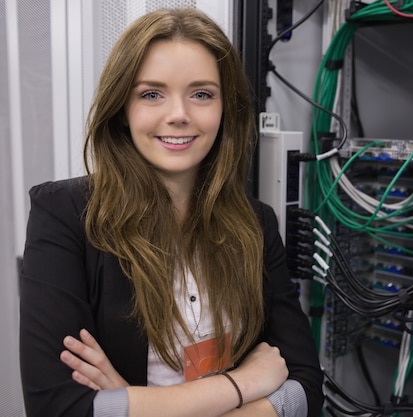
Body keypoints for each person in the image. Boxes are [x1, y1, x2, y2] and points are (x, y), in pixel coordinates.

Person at [19, 7, 323, 417]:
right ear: (122, 110)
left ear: (225, 110)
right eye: (151, 94)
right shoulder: (66, 216)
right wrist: (243, 384)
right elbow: (57, 408)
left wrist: (131, 403)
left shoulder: (255, 224)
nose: (178, 114)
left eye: (201, 94)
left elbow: (306, 388)